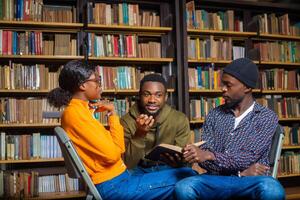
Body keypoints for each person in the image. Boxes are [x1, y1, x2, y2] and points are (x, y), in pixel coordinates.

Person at [47, 60, 197, 200]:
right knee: (190, 176)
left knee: (186, 174)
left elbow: (117, 148)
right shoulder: (76, 114)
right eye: (97, 81)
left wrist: (113, 114)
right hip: (113, 185)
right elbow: (114, 154)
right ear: (82, 85)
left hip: (120, 178)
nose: (101, 86)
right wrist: (130, 132)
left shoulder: (82, 111)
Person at [175, 58, 285, 200]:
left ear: (247, 87)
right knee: (183, 187)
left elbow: (247, 156)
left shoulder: (266, 117)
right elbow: (204, 161)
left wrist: (210, 155)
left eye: (228, 85)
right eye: (223, 84)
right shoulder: (214, 115)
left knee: (272, 189)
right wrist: (241, 172)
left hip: (250, 182)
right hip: (216, 180)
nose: (223, 89)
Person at [120, 73, 191, 171]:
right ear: (140, 96)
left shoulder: (180, 119)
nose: (152, 100)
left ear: (166, 97)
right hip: (137, 173)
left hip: (168, 170)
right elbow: (127, 165)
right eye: (146, 94)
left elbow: (185, 162)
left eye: (158, 95)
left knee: (188, 173)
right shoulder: (126, 121)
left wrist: (182, 160)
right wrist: (140, 134)